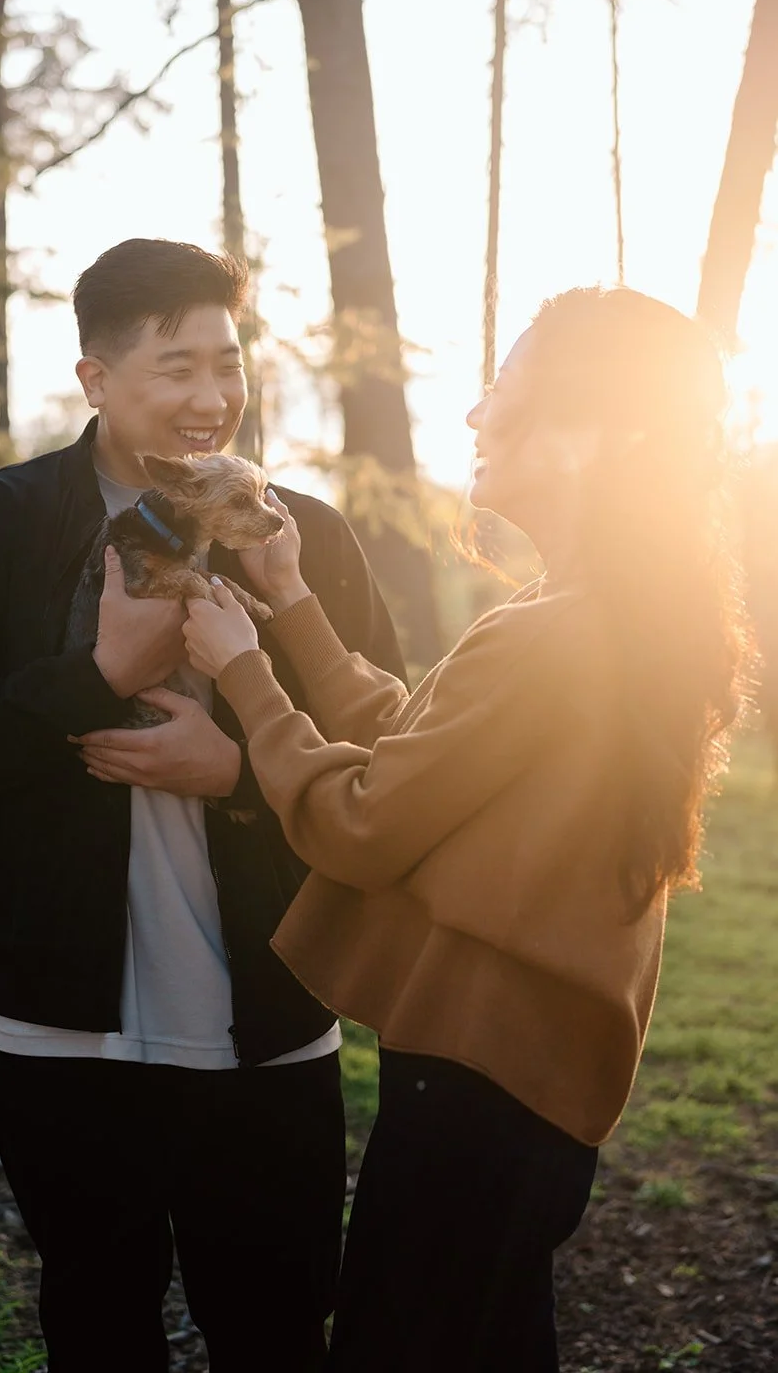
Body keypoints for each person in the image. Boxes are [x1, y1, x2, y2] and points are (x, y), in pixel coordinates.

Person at [183, 286, 747, 1372]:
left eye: (507, 393)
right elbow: (422, 749)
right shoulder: (604, 615)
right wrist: (293, 605)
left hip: (475, 1095)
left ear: (604, 434)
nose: (476, 418)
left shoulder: (550, 633)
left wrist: (241, 672)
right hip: (533, 1093)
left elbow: (362, 821)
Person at [0, 238, 404, 1373]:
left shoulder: (302, 532)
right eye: (173, 368)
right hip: (60, 1025)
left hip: (269, 1012)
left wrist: (238, 775)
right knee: (97, 1324)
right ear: (96, 379)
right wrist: (93, 675)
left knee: (273, 1330)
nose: (211, 398)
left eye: (226, 363)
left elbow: (388, 764)